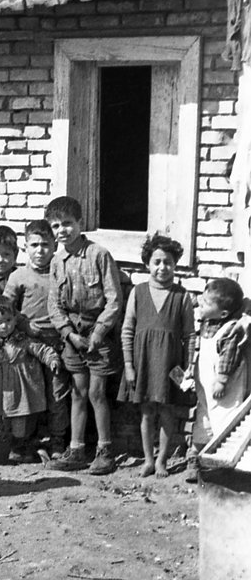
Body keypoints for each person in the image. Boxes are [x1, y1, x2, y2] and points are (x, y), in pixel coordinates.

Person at [46, 195, 122, 475]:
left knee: (97, 393)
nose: (61, 230)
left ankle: (105, 451)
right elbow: (53, 304)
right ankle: (76, 450)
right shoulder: (57, 261)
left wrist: (100, 332)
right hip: (73, 336)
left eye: (67, 223)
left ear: (80, 223)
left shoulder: (98, 255)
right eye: (55, 226)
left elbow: (114, 299)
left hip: (99, 334)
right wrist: (68, 333)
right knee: (77, 393)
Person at [119, 233, 196, 478]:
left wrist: (188, 368)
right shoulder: (137, 292)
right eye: (157, 262)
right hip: (143, 362)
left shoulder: (182, 296)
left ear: (175, 265)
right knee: (146, 412)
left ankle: (163, 461)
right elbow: (127, 330)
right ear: (147, 264)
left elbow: (190, 336)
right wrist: (129, 366)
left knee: (167, 412)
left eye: (168, 263)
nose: (162, 268)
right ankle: (148, 460)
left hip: (171, 365)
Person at [5, 219, 70, 455]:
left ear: (54, 246)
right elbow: (5, 309)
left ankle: (57, 442)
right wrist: (25, 325)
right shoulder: (18, 277)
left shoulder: (60, 273)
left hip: (56, 342)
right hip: (27, 344)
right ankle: (23, 442)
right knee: (27, 394)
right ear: (25, 247)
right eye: (34, 245)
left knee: (56, 395)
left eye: (45, 245)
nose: (40, 250)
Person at [0, 295, 62, 463]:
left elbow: (41, 349)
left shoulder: (23, 340)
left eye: (8, 320)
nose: (4, 326)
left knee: (19, 420)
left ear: (15, 319)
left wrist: (52, 359)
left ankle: (17, 449)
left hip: (18, 391)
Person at [187, 277, 251, 481]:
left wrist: (222, 379)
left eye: (205, 303)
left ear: (223, 313)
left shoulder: (230, 330)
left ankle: (224, 467)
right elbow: (198, 350)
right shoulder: (207, 322)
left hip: (223, 388)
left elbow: (228, 357)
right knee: (203, 420)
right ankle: (196, 458)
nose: (200, 304)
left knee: (225, 423)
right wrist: (190, 369)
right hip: (205, 386)